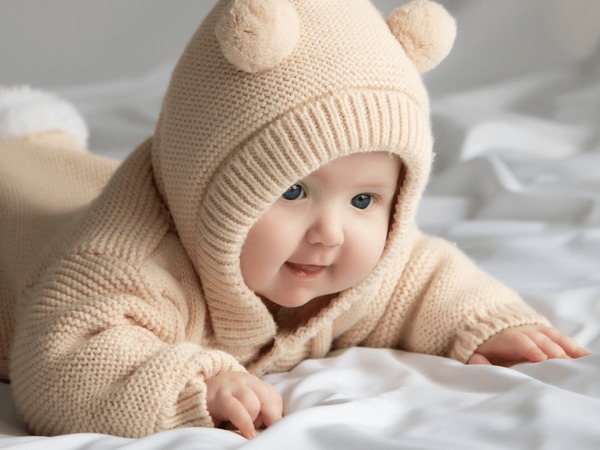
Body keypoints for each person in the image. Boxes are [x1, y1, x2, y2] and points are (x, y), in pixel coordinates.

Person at [0, 0, 589, 440]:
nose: (330, 233)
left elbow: (422, 277)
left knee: (65, 164)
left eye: (364, 201)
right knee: (28, 172)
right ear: (207, 187)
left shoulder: (355, 266)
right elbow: (61, 360)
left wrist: (485, 323)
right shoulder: (127, 266)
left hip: (71, 181)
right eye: (292, 189)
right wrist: (193, 382)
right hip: (16, 215)